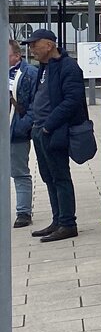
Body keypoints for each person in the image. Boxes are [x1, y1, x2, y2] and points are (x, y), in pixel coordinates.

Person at [25, 28, 85, 242]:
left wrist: (48, 126)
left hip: (54, 131)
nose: (31, 49)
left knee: (60, 177)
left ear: (49, 45)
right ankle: (58, 220)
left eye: (35, 44)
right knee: (48, 177)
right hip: (39, 130)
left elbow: (72, 100)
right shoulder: (42, 68)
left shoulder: (68, 67)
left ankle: (68, 224)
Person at [8, 39, 39, 228]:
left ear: (17, 56)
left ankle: (23, 213)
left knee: (19, 172)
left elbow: (36, 103)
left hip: (15, 132)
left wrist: (23, 126)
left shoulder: (30, 73)